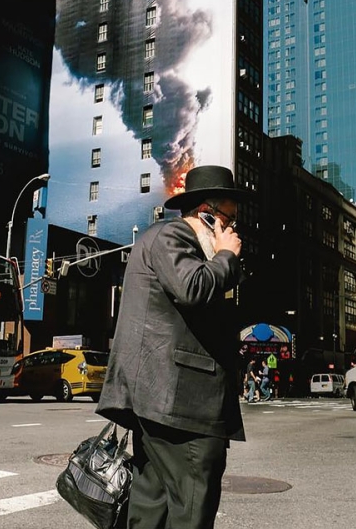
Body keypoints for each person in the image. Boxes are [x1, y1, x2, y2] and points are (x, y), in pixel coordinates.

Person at [97, 165, 254, 529]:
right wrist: (226, 255)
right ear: (207, 215)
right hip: (181, 404)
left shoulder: (185, 246)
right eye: (228, 220)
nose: (233, 231)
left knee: (154, 504)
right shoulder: (173, 237)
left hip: (165, 402)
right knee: (191, 506)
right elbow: (193, 288)